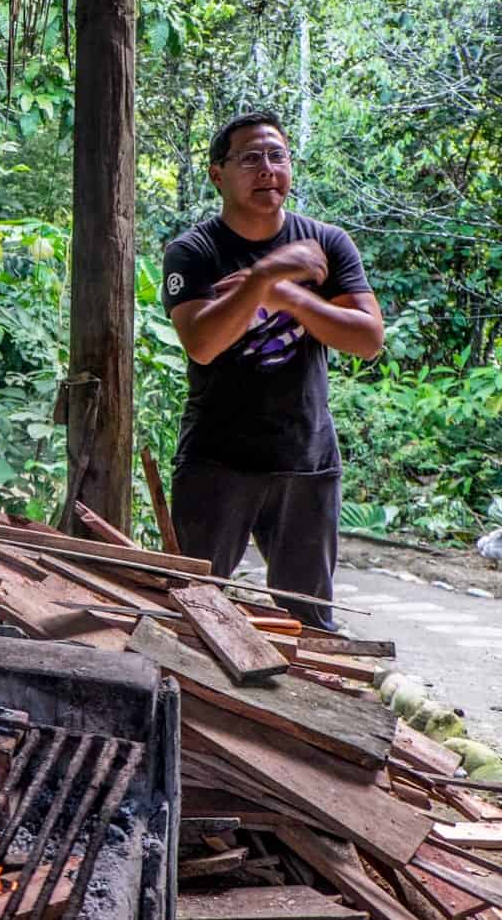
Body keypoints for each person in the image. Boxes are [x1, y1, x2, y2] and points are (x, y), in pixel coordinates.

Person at [161, 110, 384, 631]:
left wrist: (276, 290)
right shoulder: (193, 252)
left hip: (304, 459)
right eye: (251, 158)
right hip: (216, 461)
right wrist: (272, 272)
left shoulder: (326, 244)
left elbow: (368, 338)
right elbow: (203, 343)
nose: (267, 169)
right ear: (218, 174)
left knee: (309, 625)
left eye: (277, 156)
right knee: (193, 615)